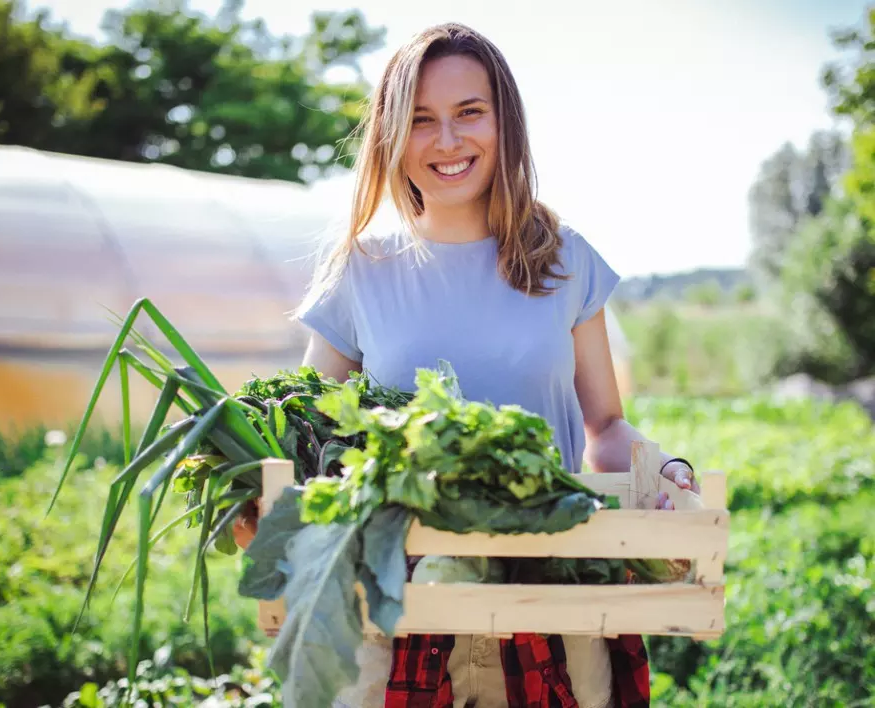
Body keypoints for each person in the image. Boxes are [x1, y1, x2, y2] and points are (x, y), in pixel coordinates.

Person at [234, 21, 701, 708]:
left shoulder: (563, 259)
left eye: (468, 113)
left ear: (503, 122)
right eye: (421, 120)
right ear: (392, 134)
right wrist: (254, 490)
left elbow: (603, 425)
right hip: (398, 606)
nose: (447, 142)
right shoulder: (362, 270)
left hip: (548, 592)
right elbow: (308, 435)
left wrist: (663, 472)